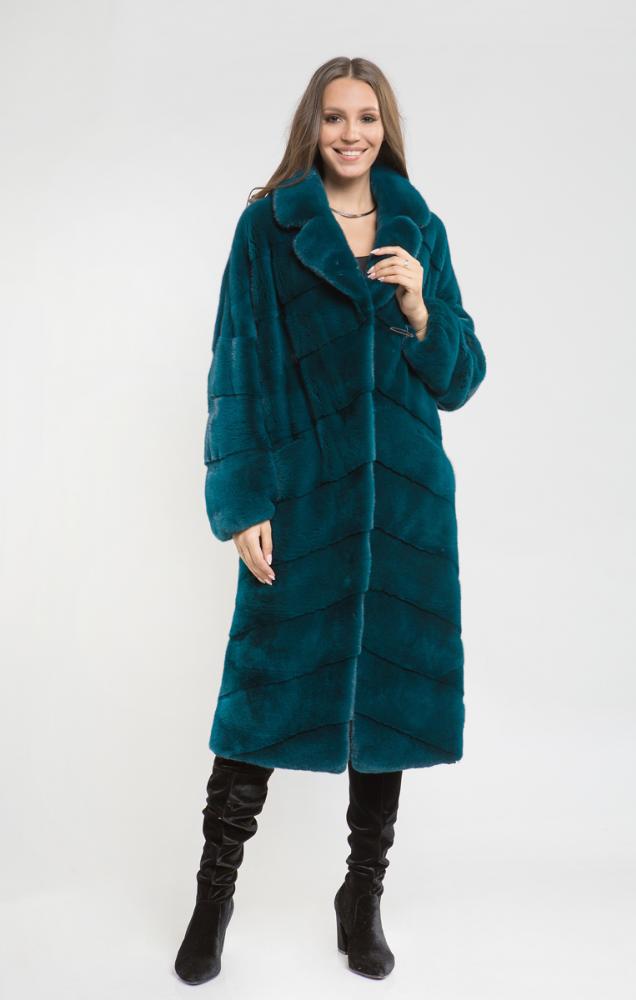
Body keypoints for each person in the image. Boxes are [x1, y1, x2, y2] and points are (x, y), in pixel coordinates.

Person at [174, 55, 487, 985]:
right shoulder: (268, 227)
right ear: (311, 127)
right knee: (259, 700)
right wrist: (243, 501)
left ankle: (362, 897)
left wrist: (420, 305)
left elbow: (460, 379)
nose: (352, 133)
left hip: (404, 510)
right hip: (304, 500)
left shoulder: (419, 228)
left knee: (385, 710)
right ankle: (213, 898)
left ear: (386, 128)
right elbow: (237, 364)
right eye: (336, 117)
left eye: (367, 118)